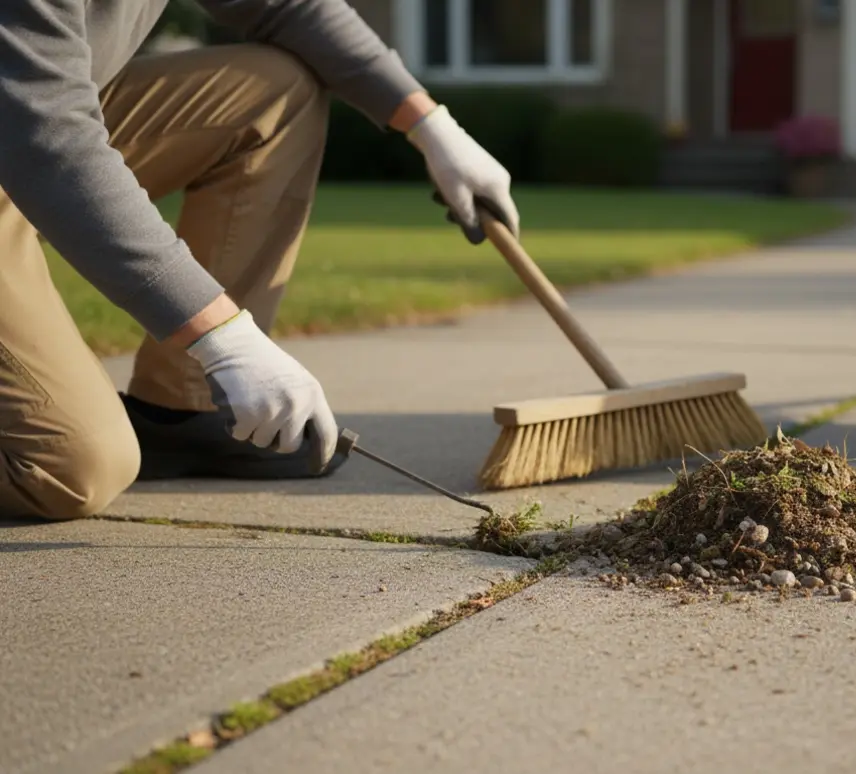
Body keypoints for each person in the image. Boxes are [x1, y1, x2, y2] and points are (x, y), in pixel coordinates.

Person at [0, 0, 520, 521]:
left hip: (32, 124)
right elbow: (46, 135)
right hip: (32, 131)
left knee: (274, 93)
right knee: (72, 468)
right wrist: (220, 333)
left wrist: (429, 125)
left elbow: (290, 5)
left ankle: (182, 412)